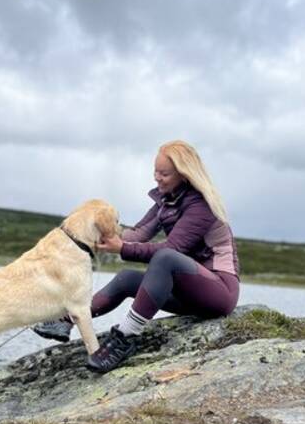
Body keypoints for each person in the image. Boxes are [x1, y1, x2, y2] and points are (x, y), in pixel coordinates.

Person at [34, 140, 240, 373]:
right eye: (155, 171)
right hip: (190, 294)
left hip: (219, 292)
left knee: (165, 258)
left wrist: (120, 248)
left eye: (164, 173)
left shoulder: (201, 206)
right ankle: (65, 320)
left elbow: (172, 249)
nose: (157, 178)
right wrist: (99, 237)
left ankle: (125, 337)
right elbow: (138, 234)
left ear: (184, 175)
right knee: (127, 278)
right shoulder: (167, 201)